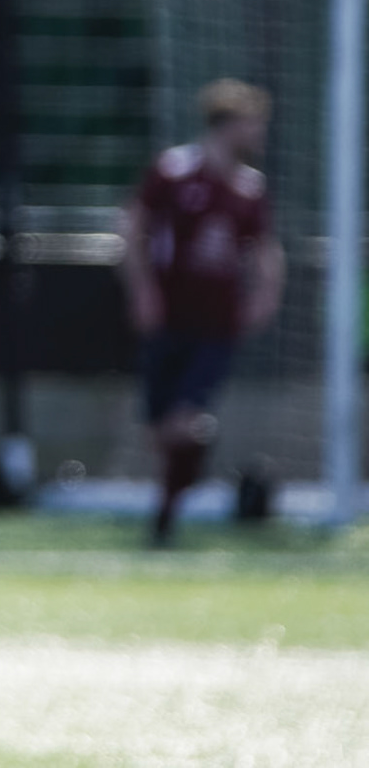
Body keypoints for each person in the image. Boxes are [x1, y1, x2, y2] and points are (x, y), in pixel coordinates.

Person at [119, 78, 285, 547]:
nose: (259, 133)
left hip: (217, 325)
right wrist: (141, 290)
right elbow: (133, 227)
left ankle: (165, 518)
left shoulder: (250, 189)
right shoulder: (173, 172)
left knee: (185, 420)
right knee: (161, 430)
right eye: (253, 123)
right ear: (228, 124)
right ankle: (183, 480)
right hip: (169, 317)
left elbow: (264, 249)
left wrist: (267, 293)